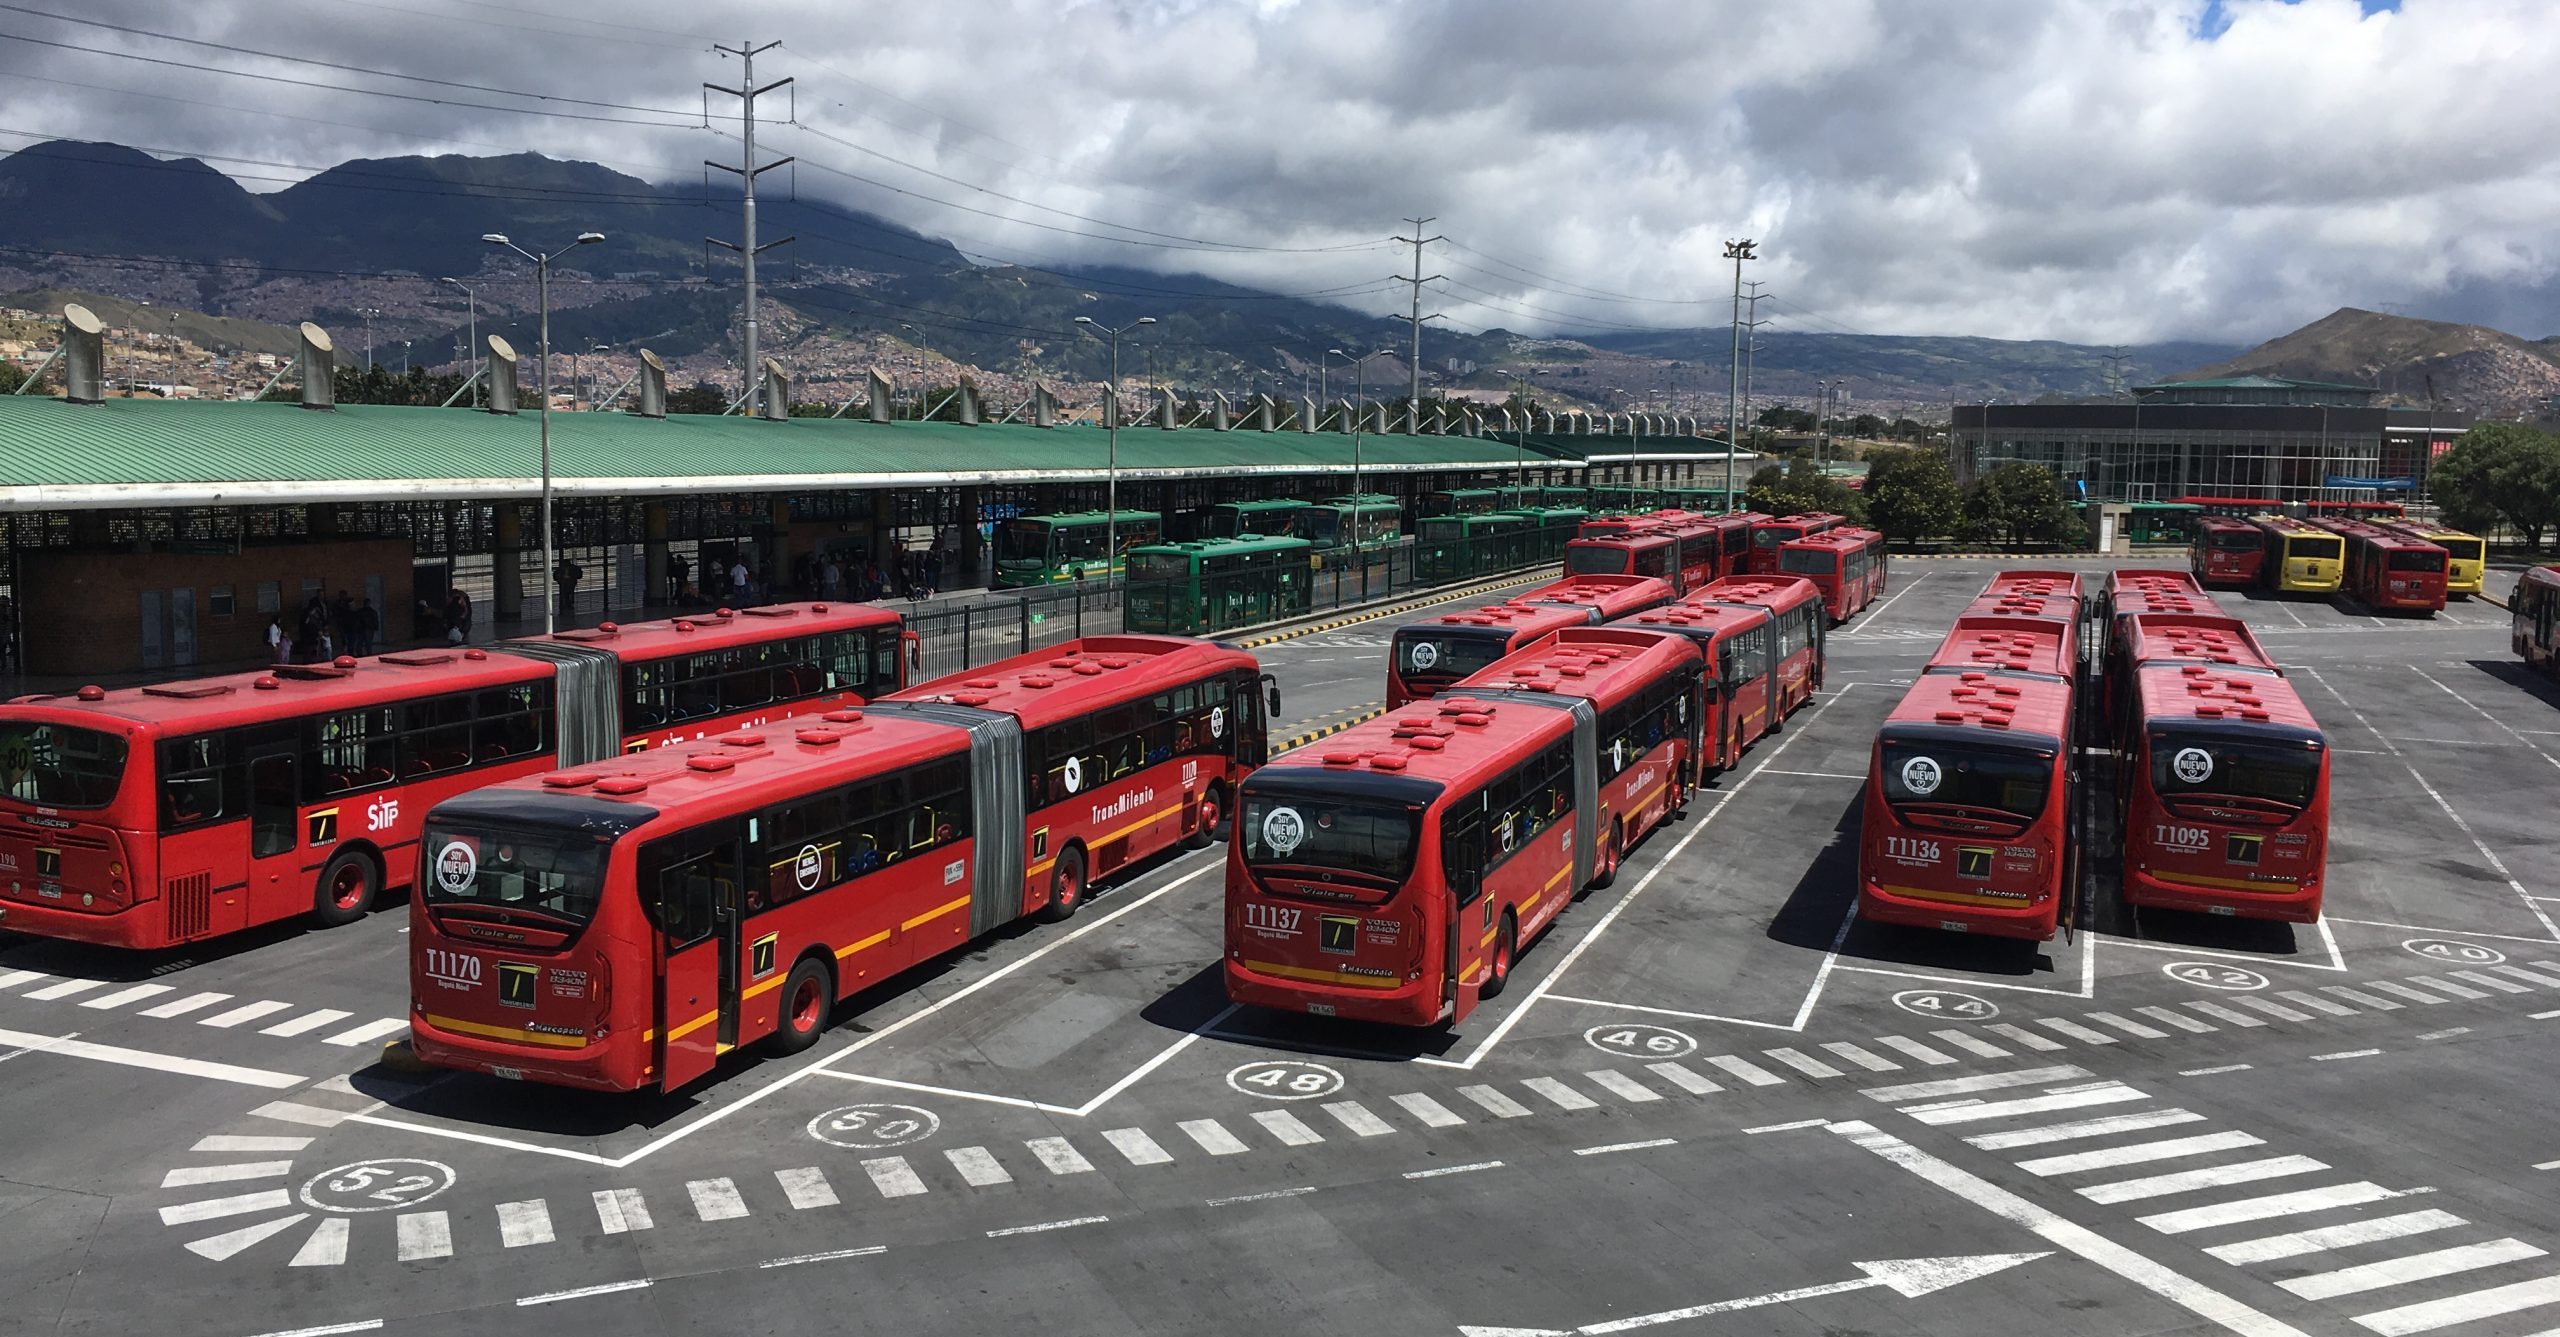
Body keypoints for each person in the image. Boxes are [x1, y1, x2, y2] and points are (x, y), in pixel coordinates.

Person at [553, 556, 581, 622]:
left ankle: (569, 603)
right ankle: (567, 603)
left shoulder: (573, 568)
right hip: (564, 582)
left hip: (570, 582)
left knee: (569, 592)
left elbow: (578, 573)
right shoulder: (561, 569)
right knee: (566, 593)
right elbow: (556, 575)